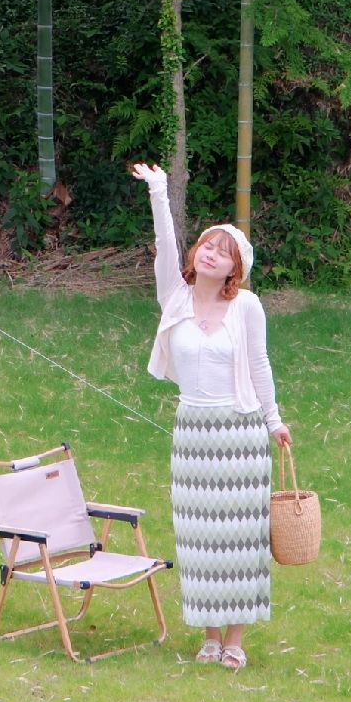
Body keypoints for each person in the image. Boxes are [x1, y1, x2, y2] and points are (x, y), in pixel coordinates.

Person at [130, 162, 291, 672]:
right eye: (206, 245)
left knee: (241, 538)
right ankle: (208, 634)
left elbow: (260, 364)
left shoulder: (247, 306)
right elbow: (162, 249)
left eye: (222, 251)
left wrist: (274, 421)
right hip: (193, 432)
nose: (210, 253)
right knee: (199, 537)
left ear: (234, 268)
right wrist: (159, 192)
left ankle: (236, 639)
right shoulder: (174, 297)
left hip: (241, 431)